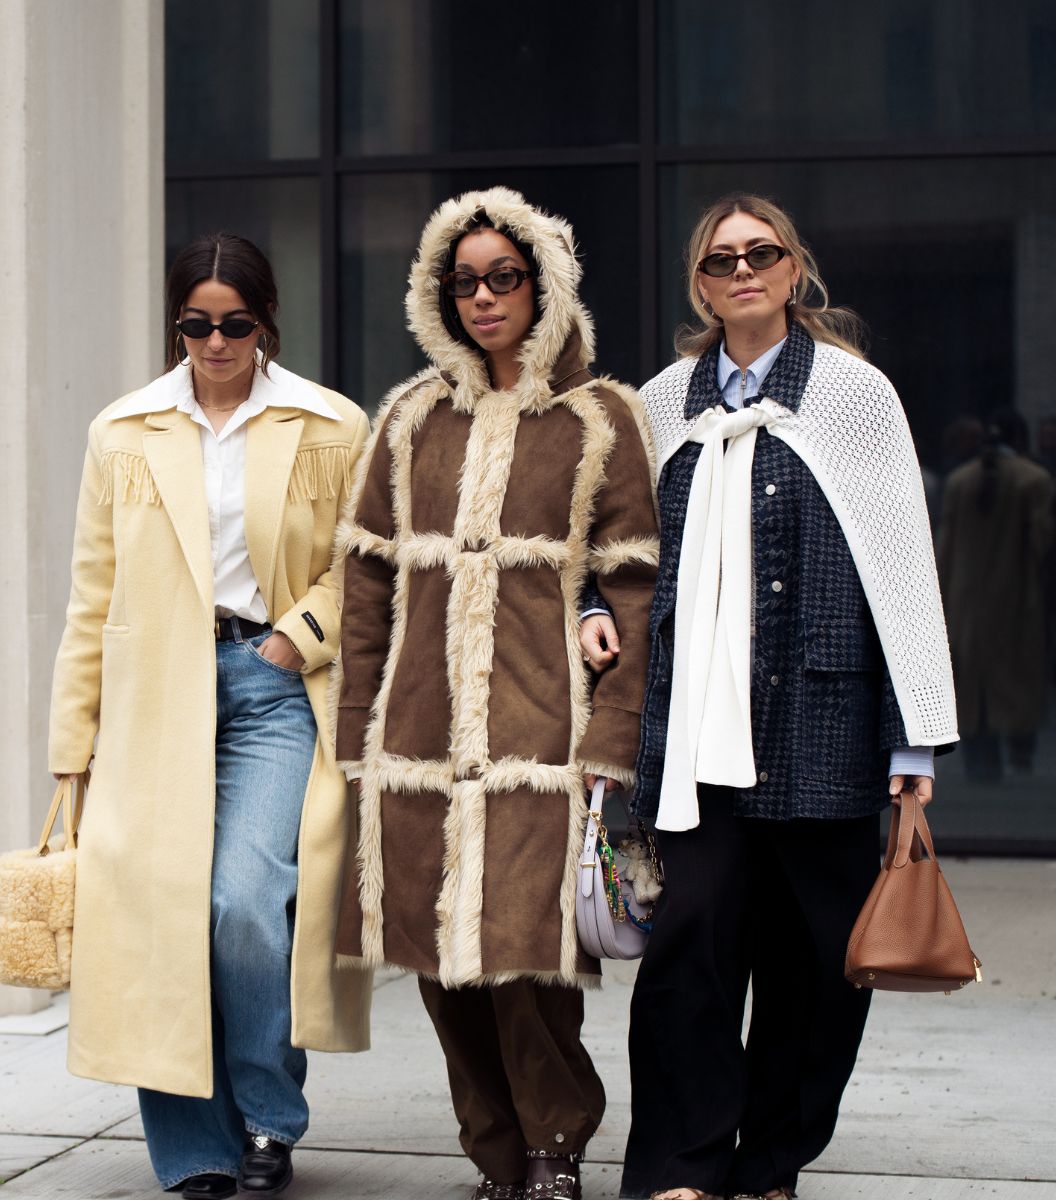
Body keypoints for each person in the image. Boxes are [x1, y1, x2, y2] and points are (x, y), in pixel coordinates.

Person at [580, 194, 958, 1200]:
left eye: (762, 253)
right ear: (700, 285)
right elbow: (605, 540)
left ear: (796, 269)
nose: (743, 269)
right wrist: (587, 607)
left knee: (818, 968)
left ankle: (771, 1161)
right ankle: (684, 1165)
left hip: (825, 724)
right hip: (694, 730)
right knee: (689, 955)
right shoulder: (661, 401)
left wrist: (913, 744)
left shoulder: (853, 395)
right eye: (722, 259)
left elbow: (902, 565)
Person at [331, 187, 660, 1200]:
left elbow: (636, 583)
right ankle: (495, 1157)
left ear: (543, 283)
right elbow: (365, 586)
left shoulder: (604, 419)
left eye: (503, 277)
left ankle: (555, 1148)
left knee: (528, 960)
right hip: (418, 738)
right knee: (439, 965)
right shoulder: (407, 418)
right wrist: (357, 745)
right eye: (462, 280)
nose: (482, 297)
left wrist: (609, 743)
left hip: (541, 734)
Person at [48, 233, 372, 1199]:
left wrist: (295, 637)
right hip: (154, 699)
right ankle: (196, 1148)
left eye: (234, 323)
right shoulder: (124, 430)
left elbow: (362, 564)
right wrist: (74, 746)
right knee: (161, 915)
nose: (215, 342)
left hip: (273, 687)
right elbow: (91, 594)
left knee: (242, 904)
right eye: (196, 324)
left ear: (266, 321)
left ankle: (269, 1115)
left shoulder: (328, 424)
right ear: (175, 324)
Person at [937, 408, 1054, 779]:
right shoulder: (1035, 481)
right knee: (1017, 680)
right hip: (1018, 600)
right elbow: (1043, 545)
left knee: (973, 684)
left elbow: (943, 547)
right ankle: (1020, 756)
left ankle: (979, 761)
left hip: (965, 600)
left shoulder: (959, 481)